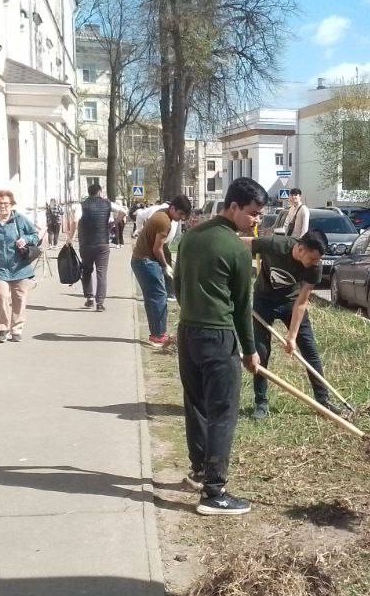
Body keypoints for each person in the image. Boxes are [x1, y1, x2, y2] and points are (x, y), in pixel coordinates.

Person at [174, 178, 266, 516]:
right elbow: (243, 305)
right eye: (253, 214)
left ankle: (199, 470)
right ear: (234, 207)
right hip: (219, 336)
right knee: (223, 412)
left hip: (188, 332)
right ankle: (214, 493)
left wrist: (193, 310)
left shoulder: (191, 237)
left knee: (196, 404)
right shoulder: (235, 249)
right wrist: (249, 349)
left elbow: (178, 283)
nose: (257, 220)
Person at [240, 230, 338, 420]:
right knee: (260, 353)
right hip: (263, 301)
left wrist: (291, 337)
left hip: (291, 303)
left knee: (310, 351)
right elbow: (241, 243)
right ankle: (261, 403)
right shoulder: (276, 245)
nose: (315, 263)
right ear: (300, 249)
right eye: (312, 258)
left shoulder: (314, 266)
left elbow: (301, 302)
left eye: (318, 259)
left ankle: (323, 400)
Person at [0, 189, 40, 342]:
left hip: (20, 267)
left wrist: (25, 239)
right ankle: (3, 328)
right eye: (0, 203)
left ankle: (16, 329)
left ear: (11, 204)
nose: (3, 206)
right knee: (1, 296)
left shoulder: (20, 219)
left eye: (6, 203)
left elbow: (35, 235)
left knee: (19, 298)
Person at [131, 196, 192, 347]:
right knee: (159, 296)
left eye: (184, 216)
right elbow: (157, 248)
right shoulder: (164, 221)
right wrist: (165, 265)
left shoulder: (161, 214)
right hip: (146, 261)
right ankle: (158, 335)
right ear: (173, 209)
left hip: (141, 260)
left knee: (153, 297)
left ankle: (157, 333)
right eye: (180, 214)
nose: (181, 218)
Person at [78, 183, 113, 311]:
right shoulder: (107, 204)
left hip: (86, 244)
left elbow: (74, 220)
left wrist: (70, 238)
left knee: (86, 270)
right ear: (99, 192)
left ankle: (89, 298)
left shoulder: (81, 205)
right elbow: (123, 211)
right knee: (101, 272)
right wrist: (112, 225)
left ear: (89, 192)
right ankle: (100, 303)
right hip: (103, 244)